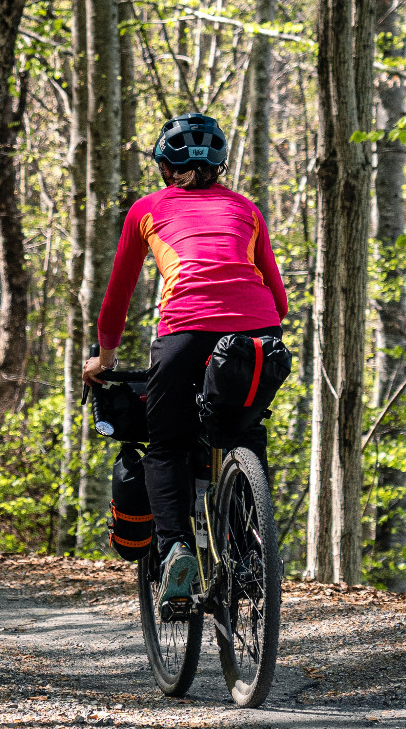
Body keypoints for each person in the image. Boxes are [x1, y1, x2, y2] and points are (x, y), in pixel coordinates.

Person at [82, 113, 287, 608]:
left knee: (167, 446)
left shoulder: (147, 210)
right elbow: (277, 298)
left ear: (164, 167)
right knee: (245, 431)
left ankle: (175, 549)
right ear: (218, 165)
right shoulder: (246, 209)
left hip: (185, 331)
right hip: (257, 334)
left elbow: (118, 296)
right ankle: (250, 553)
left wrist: (104, 359)